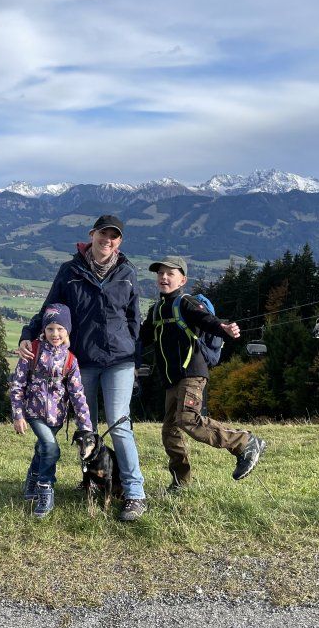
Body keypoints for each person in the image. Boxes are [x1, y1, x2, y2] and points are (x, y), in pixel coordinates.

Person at [18, 214, 147, 522]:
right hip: (83, 360)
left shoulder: (127, 271)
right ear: (92, 235)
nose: (109, 240)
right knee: (85, 426)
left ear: (120, 241)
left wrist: (137, 365)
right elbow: (49, 309)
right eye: (104, 234)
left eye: (115, 236)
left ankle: (134, 493)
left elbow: (135, 320)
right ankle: (89, 480)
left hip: (119, 359)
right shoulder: (70, 270)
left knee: (118, 424)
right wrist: (28, 333)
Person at [140, 254, 267, 491]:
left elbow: (205, 319)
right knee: (170, 431)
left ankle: (244, 442)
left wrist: (223, 328)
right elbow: (142, 338)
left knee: (188, 419)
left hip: (192, 373)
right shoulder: (156, 309)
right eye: (160, 273)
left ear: (182, 280)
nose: (164, 277)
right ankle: (181, 482)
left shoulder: (186, 302)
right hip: (171, 380)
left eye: (170, 273)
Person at [9, 304, 93, 518]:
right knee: (51, 448)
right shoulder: (33, 351)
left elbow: (77, 394)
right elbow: (17, 384)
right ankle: (45, 488)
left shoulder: (70, 360)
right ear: (44, 330)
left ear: (67, 331)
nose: (55, 334)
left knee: (43, 449)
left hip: (57, 416)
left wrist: (86, 428)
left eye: (60, 329)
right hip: (34, 412)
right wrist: (18, 415)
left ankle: (32, 478)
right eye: (50, 329)